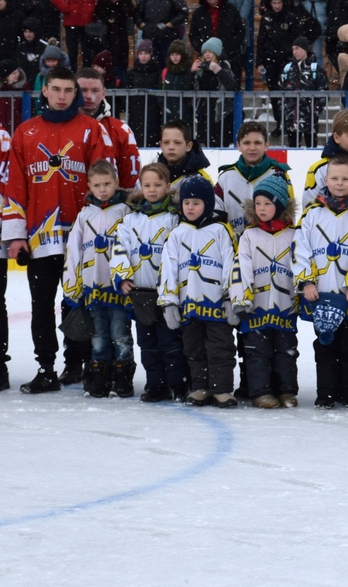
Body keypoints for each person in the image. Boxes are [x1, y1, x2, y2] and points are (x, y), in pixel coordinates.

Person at [2, 66, 113, 393]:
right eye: (57, 89)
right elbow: (15, 187)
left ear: (74, 93)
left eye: (68, 90)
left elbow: (104, 183)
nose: (62, 96)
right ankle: (46, 367)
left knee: (80, 302)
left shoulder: (91, 130)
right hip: (40, 238)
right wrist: (17, 235)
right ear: (45, 91)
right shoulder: (26, 132)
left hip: (82, 238)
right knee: (41, 304)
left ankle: (79, 363)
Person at [294, 153, 348, 408]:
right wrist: (307, 282)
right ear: (325, 179)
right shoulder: (311, 214)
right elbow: (300, 249)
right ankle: (326, 393)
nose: (340, 183)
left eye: (345, 178)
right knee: (326, 344)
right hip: (323, 295)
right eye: (335, 178)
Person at [159, 174, 238, 408]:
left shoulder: (221, 231)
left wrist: (229, 297)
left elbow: (231, 265)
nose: (190, 207)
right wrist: (169, 301)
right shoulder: (176, 234)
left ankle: (222, 389)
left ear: (208, 204)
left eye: (196, 203)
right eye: (186, 203)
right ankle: (200, 387)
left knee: (220, 348)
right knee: (193, 349)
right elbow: (168, 269)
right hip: (189, 305)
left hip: (216, 305)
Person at [110, 162, 187, 402]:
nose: (152, 190)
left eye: (157, 185)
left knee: (171, 342)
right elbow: (119, 248)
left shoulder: (175, 219)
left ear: (167, 186)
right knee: (148, 343)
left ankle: (177, 384)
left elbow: (180, 254)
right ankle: (155, 385)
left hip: (167, 295)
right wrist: (122, 277)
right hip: (141, 294)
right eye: (147, 185)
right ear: (140, 187)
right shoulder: (130, 219)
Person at [228, 172, 300, 408]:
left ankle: (286, 391)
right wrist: (240, 298)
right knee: (257, 351)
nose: (261, 208)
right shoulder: (249, 235)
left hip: (284, 305)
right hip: (256, 306)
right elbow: (241, 267)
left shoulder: (294, 234)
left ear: (279, 205)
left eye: (267, 203)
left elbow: (301, 265)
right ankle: (260, 391)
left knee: (286, 351)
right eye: (258, 203)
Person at [61, 159, 132, 398]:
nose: (102, 189)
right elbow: (73, 252)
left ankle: (122, 379)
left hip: (118, 288)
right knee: (98, 336)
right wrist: (72, 287)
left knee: (120, 334)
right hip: (92, 287)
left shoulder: (127, 212)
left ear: (117, 183)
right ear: (89, 186)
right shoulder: (84, 215)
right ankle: (100, 378)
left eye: (107, 183)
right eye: (97, 185)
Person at [216, 121, 291, 238]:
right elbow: (216, 215)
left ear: (266, 145)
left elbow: (288, 215)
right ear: (238, 146)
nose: (252, 148)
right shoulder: (225, 177)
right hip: (231, 247)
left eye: (257, 143)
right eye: (246, 143)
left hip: (268, 246)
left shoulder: (278, 174)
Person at [77, 68, 139, 190]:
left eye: (95, 90)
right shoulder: (61, 127)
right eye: (83, 90)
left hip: (109, 207)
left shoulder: (121, 130)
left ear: (104, 93)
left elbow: (130, 183)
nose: (89, 96)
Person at [189, 0, 246, 84]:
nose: (212, 2)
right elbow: (193, 34)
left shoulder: (230, 10)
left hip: (230, 55)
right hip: (207, 56)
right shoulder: (199, 13)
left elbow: (240, 31)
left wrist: (230, 47)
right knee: (208, 86)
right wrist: (203, 48)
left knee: (231, 84)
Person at [134, 0, 188, 72]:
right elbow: (137, 14)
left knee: (168, 64)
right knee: (152, 66)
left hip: (169, 37)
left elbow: (183, 12)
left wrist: (170, 24)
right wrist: (143, 25)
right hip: (150, 37)